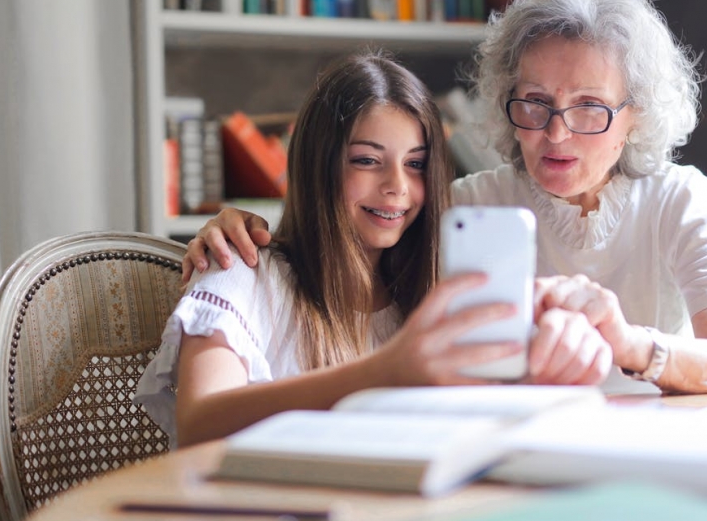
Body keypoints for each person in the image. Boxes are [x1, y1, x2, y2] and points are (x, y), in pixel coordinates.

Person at [184, 0, 707, 395]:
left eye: (590, 108)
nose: (556, 134)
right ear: (504, 100)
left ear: (636, 115)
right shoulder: (464, 208)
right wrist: (237, 227)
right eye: (535, 103)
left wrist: (630, 345)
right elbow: (345, 248)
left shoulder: (683, 200)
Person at [135, 52, 614, 448]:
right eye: (366, 161)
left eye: (416, 165)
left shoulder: (429, 294)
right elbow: (199, 423)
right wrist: (385, 372)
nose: (396, 188)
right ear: (317, 165)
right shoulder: (241, 270)